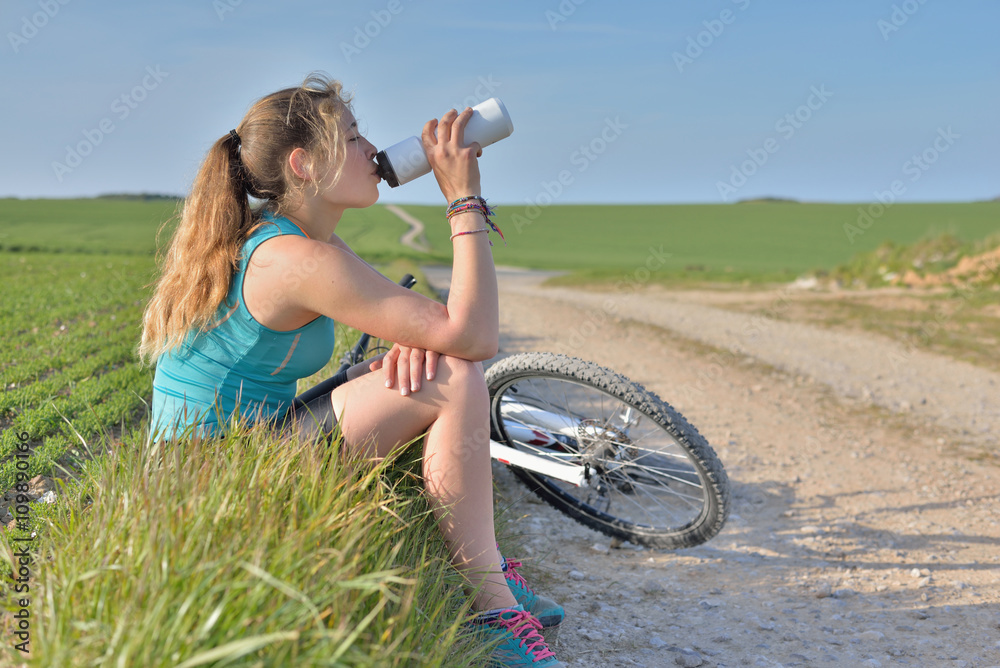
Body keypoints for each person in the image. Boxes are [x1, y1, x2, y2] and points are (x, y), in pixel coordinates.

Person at [138, 74, 565, 666]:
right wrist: (463, 198)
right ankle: (494, 611)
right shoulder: (294, 258)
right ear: (305, 165)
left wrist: (421, 342)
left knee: (443, 368)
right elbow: (476, 337)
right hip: (209, 487)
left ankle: (488, 571)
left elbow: (440, 328)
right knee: (456, 377)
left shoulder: (304, 243)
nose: (373, 151)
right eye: (354, 136)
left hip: (246, 446)